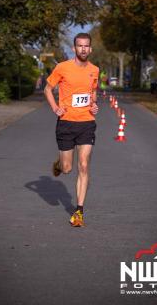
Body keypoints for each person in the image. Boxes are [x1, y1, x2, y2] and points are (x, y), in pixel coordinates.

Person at [44, 33, 99, 227]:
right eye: (80, 46)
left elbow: (92, 91)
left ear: (90, 49)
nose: (83, 49)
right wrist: (55, 108)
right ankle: (59, 165)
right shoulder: (62, 68)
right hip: (66, 123)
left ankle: (79, 212)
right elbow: (47, 89)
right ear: (74, 48)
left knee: (83, 165)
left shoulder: (95, 70)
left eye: (86, 46)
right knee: (67, 168)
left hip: (86, 123)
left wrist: (94, 104)